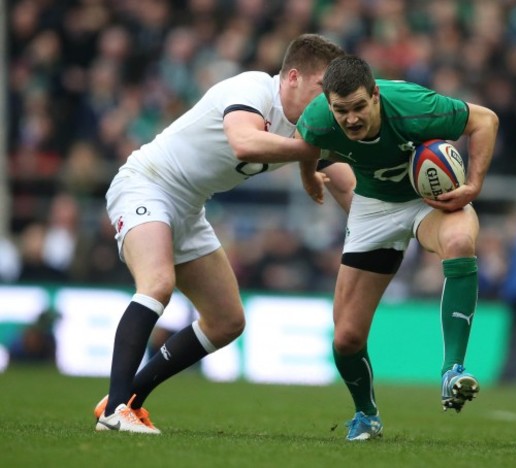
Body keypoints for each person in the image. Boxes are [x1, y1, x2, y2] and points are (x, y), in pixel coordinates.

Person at [93, 34, 353, 434]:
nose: (327, 102)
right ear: (294, 77)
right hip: (146, 185)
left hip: (190, 206)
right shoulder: (250, 88)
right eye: (322, 89)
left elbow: (347, 185)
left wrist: (388, 227)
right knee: (157, 284)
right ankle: (114, 415)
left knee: (226, 321)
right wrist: (310, 153)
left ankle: (125, 399)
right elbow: (245, 142)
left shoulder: (309, 126)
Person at [297, 55, 499, 441]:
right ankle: (366, 414)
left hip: (430, 201)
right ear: (329, 104)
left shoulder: (414, 107)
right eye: (342, 111)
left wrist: (473, 186)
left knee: (459, 241)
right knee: (346, 339)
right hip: (373, 208)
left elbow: (485, 120)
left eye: (359, 107)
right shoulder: (318, 117)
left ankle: (452, 370)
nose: (352, 118)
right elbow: (304, 146)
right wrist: (310, 177)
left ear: (375, 95)